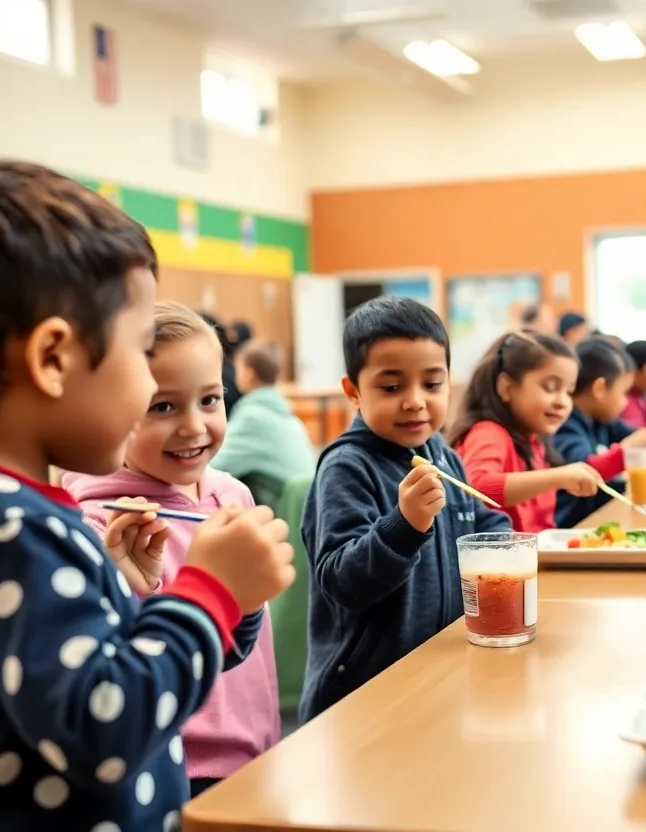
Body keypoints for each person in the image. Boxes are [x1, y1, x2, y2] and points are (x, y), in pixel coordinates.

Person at [0, 161, 293, 829]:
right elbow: (103, 727)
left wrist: (120, 588)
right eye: (141, 354)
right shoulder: (11, 531)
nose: (148, 386)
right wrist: (210, 593)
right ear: (53, 358)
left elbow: (44, 682)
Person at [64, 302, 280, 799]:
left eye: (210, 400)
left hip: (260, 744)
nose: (194, 426)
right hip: (179, 766)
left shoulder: (234, 494)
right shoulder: (104, 524)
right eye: (163, 407)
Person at [299, 296, 510, 722]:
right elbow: (342, 581)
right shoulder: (347, 467)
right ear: (353, 392)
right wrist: (405, 525)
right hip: (364, 694)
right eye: (392, 387)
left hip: (439, 676)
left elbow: (484, 523)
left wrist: (506, 546)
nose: (415, 401)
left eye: (432, 385)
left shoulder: (443, 455)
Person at [450, 332, 602, 533]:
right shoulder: (488, 432)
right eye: (550, 387)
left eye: (569, 392)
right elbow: (477, 487)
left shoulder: (534, 442)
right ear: (507, 387)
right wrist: (557, 477)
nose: (562, 402)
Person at [553, 339, 646, 527]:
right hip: (576, 525)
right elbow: (585, 471)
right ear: (600, 389)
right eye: (622, 392)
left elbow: (639, 435)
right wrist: (627, 449)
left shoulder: (601, 418)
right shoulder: (565, 425)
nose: (625, 402)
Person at [210, 338, 317, 507]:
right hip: (303, 518)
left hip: (279, 520)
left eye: (239, 368)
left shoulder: (253, 419)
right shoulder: (293, 419)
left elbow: (213, 465)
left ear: (250, 373)